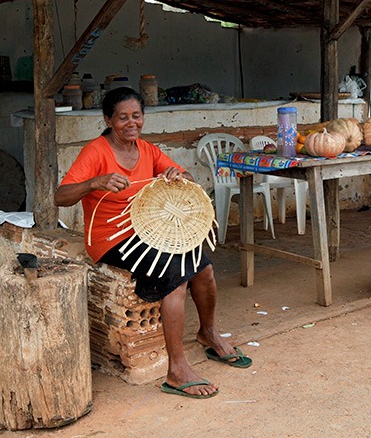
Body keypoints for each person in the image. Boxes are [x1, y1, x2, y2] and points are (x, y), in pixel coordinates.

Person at [54, 87, 250, 400]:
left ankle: (208, 332)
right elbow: (60, 197)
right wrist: (95, 182)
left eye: (137, 116)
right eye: (123, 117)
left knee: (203, 267)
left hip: (148, 231)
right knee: (176, 275)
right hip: (110, 238)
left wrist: (178, 174)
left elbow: (187, 176)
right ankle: (177, 370)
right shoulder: (95, 152)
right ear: (108, 120)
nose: (131, 123)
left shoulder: (146, 150)